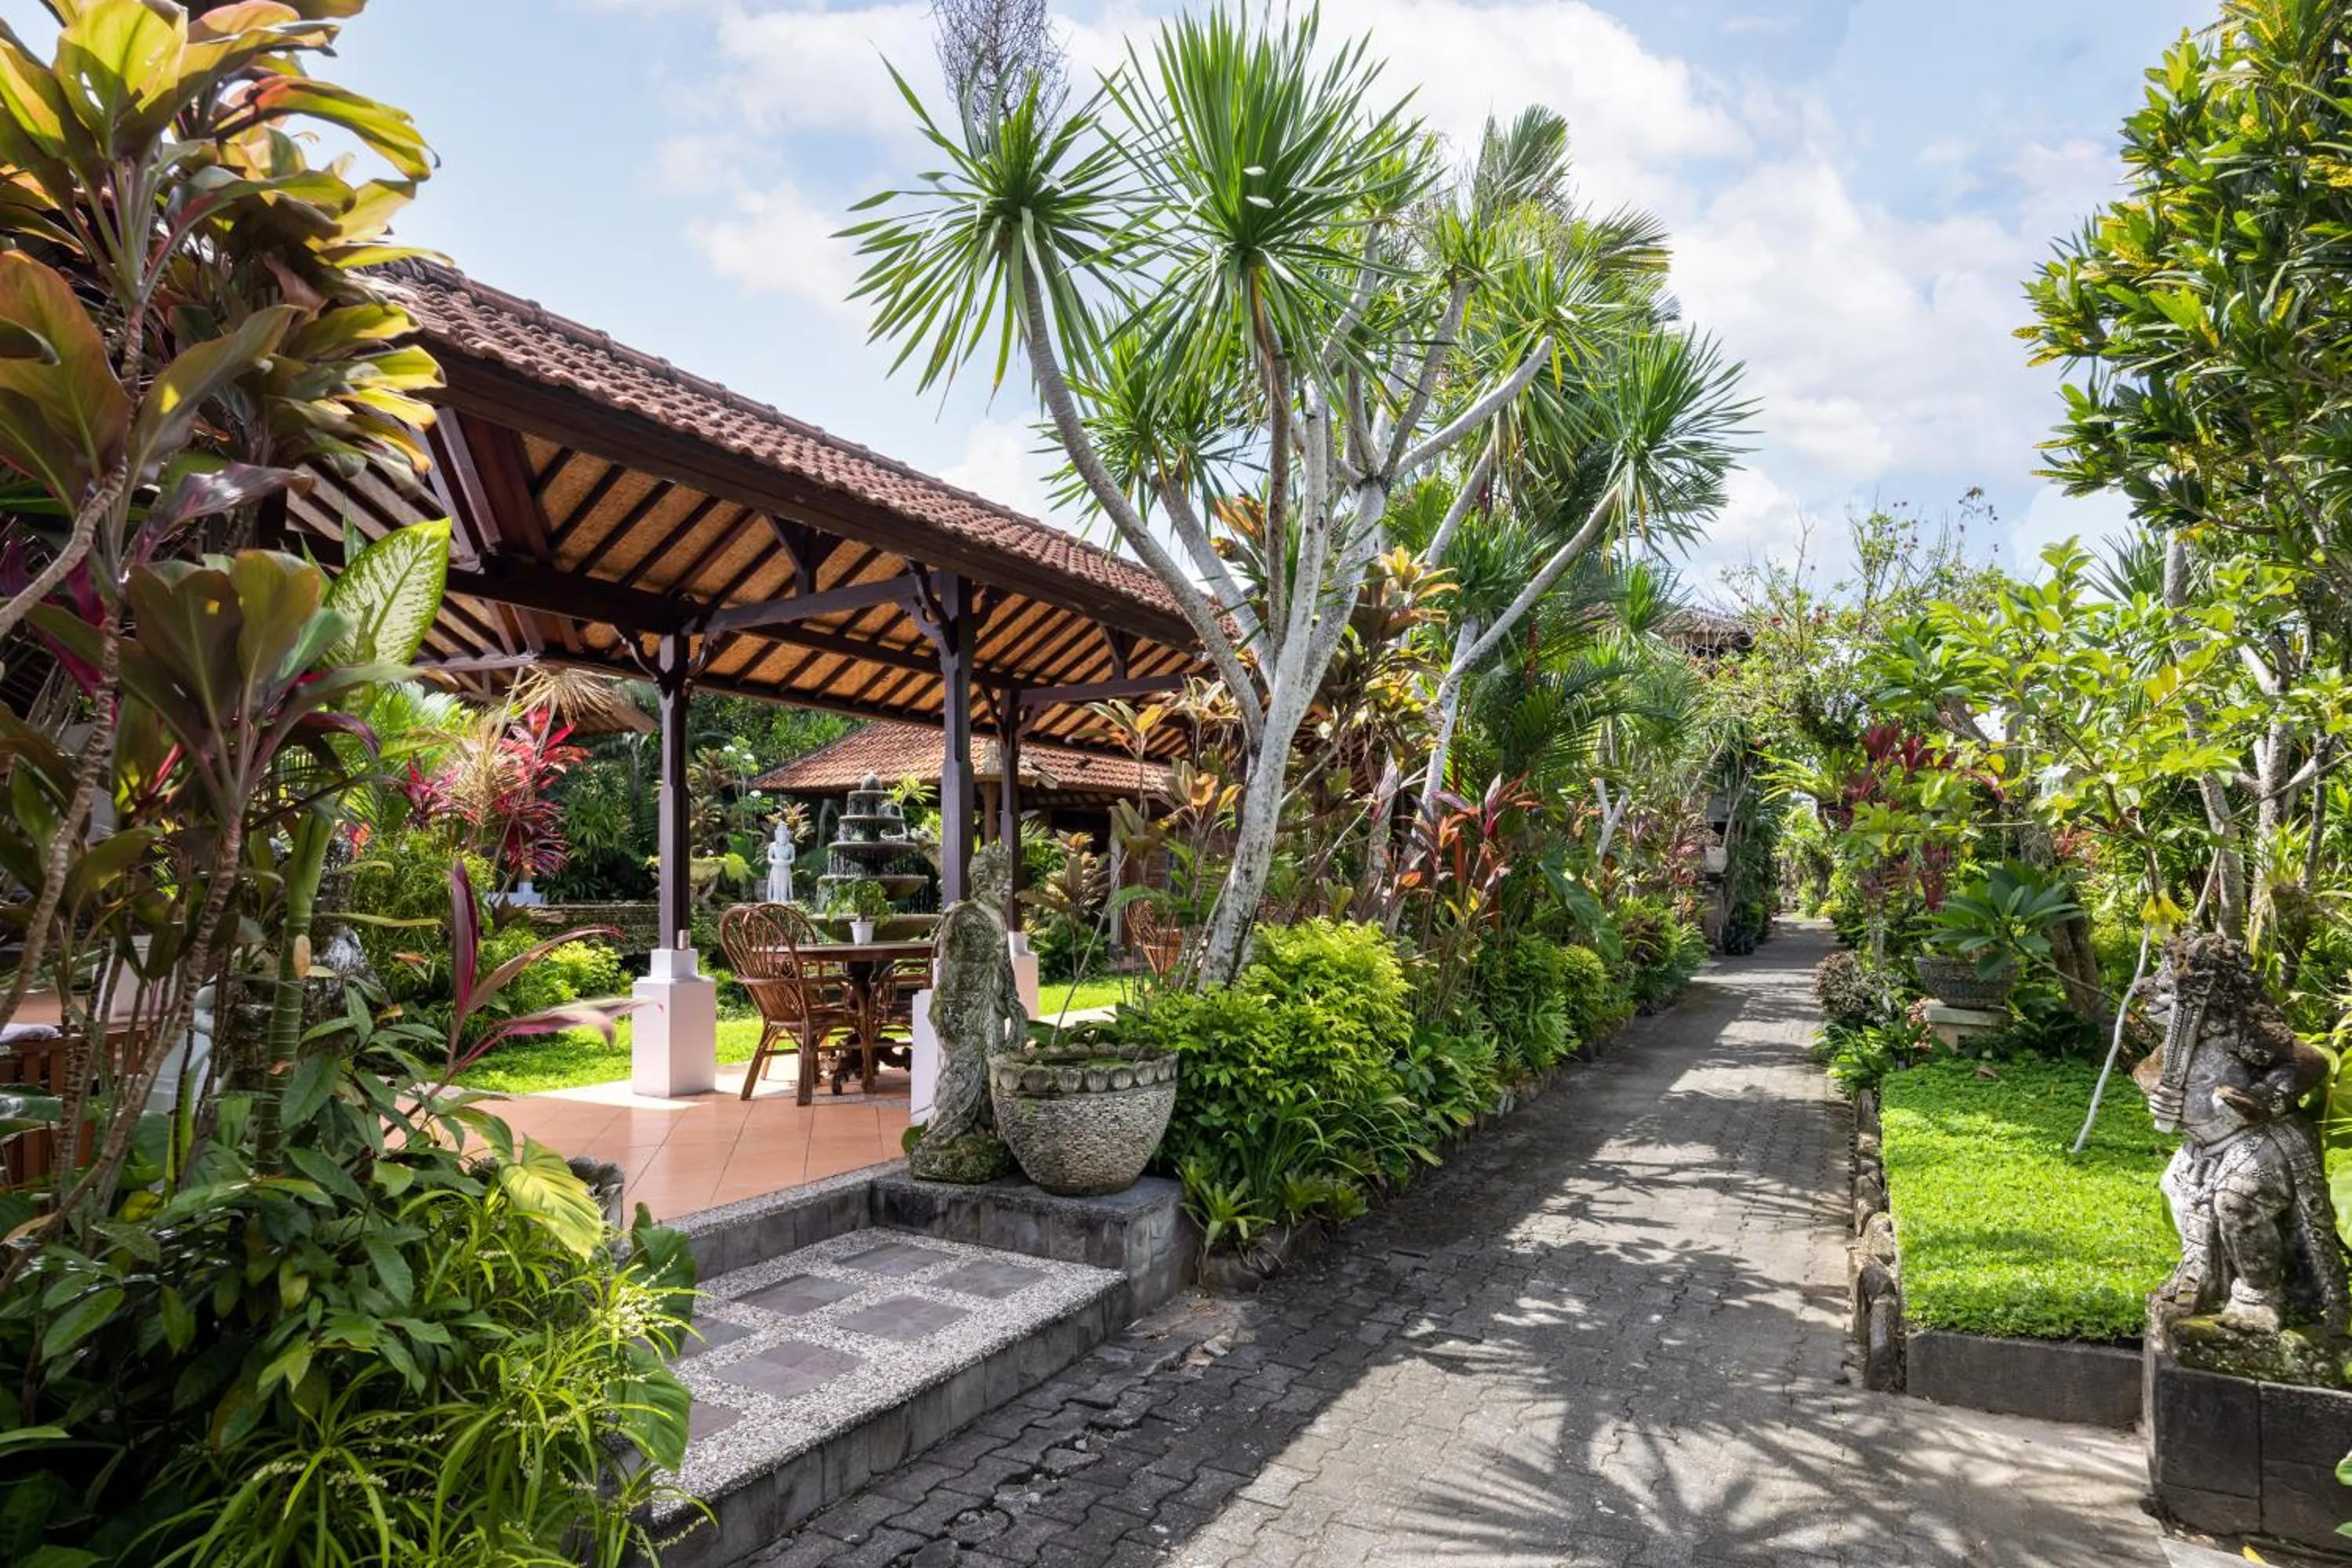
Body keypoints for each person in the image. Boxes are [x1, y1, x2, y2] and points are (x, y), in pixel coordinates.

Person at [764, 820, 797, 904]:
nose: (782, 835)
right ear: (777, 834)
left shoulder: (790, 847)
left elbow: (793, 859)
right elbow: (769, 858)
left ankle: (784, 899)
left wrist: (786, 862)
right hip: (776, 868)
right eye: (780, 832)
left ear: (787, 834)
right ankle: (775, 899)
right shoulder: (773, 846)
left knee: (784, 886)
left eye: (784, 833)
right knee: (776, 885)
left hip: (786, 868)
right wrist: (776, 862)